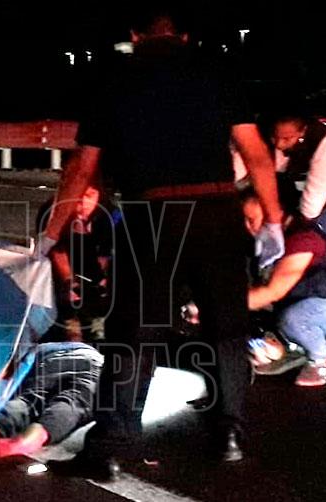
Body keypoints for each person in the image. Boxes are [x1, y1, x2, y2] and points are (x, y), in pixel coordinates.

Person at [37, 10, 285, 474]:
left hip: (150, 215)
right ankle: (229, 433)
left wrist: (51, 233)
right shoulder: (217, 71)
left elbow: (82, 167)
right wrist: (272, 220)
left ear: (134, 34)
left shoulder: (114, 78)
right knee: (227, 329)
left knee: (135, 335)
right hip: (217, 213)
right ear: (185, 35)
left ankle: (109, 449)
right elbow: (257, 155)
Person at [242, 189, 326, 386]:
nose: (249, 228)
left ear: (276, 212)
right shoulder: (270, 241)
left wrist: (217, 305)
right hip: (302, 304)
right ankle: (294, 347)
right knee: (264, 327)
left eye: (252, 219)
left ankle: (320, 360)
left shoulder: (304, 239)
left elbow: (272, 292)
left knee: (294, 319)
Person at [233, 114, 326, 237]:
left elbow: (318, 189)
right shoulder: (259, 129)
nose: (279, 144)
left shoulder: (322, 138)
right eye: (274, 137)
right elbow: (240, 168)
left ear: (302, 131)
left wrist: (300, 227)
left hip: (322, 204)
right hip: (283, 197)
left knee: (308, 243)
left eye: (286, 139)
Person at [36, 186, 116, 342]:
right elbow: (56, 250)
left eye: (89, 195)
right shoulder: (52, 212)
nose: (82, 202)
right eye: (77, 195)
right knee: (65, 325)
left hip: (93, 269)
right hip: (61, 271)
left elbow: (107, 253)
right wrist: (68, 280)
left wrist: (104, 280)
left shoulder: (110, 215)